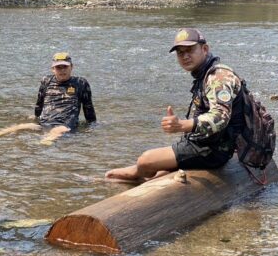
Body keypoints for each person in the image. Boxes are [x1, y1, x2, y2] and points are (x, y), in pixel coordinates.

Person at [105, 28, 245, 183]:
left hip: (214, 151)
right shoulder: (204, 74)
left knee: (145, 160)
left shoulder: (218, 77)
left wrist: (182, 125)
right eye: (180, 52)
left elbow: (220, 117)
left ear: (205, 49)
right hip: (206, 144)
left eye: (190, 50)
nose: (185, 56)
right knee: (157, 167)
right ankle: (146, 175)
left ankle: (137, 174)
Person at [0, 52, 97, 144]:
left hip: (65, 124)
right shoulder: (46, 81)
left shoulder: (81, 83)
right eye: (58, 67)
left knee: (58, 131)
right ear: (53, 69)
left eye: (65, 67)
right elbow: (39, 103)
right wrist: (36, 117)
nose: (62, 70)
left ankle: (45, 141)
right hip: (45, 122)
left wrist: (92, 126)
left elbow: (88, 108)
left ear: (71, 67)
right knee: (22, 126)